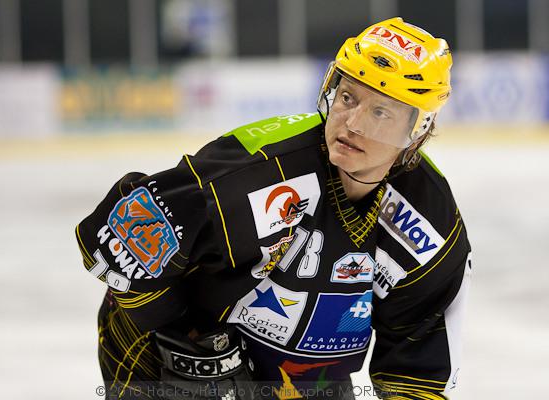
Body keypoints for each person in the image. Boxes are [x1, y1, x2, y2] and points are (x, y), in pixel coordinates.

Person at [76, 17, 471, 400]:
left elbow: (417, 374)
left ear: (417, 129)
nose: (352, 123)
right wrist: (181, 333)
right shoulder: (261, 171)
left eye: (380, 112)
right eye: (348, 97)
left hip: (307, 378)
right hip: (172, 364)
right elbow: (121, 235)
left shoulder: (431, 221)